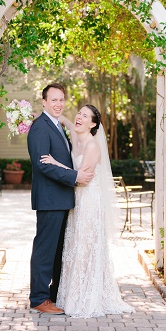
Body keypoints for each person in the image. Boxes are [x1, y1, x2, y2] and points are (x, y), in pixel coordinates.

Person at [40, 104, 136, 318]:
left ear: (93, 124)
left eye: (85, 116)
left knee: (86, 249)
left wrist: (55, 163)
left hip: (90, 203)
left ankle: (87, 298)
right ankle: (71, 296)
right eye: (79, 113)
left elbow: (81, 178)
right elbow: (63, 119)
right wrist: (38, 115)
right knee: (74, 249)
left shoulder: (92, 146)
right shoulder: (75, 134)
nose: (79, 117)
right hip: (76, 203)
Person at [27, 83, 94, 315]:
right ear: (43, 102)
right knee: (45, 250)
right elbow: (42, 164)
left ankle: (53, 296)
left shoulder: (56, 125)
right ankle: (38, 298)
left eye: (61, 100)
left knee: (56, 251)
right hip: (49, 198)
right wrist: (75, 176)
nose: (58, 104)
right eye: (53, 100)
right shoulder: (39, 128)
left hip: (61, 199)